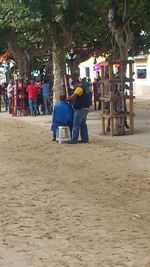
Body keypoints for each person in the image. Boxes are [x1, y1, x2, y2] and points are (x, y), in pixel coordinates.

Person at [66, 80, 90, 144]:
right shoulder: (83, 89)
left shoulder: (79, 88)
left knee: (76, 125)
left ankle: (74, 140)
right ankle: (85, 139)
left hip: (80, 109)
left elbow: (73, 96)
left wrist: (67, 99)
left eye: (74, 85)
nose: (74, 87)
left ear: (76, 83)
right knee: (83, 124)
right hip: (86, 108)